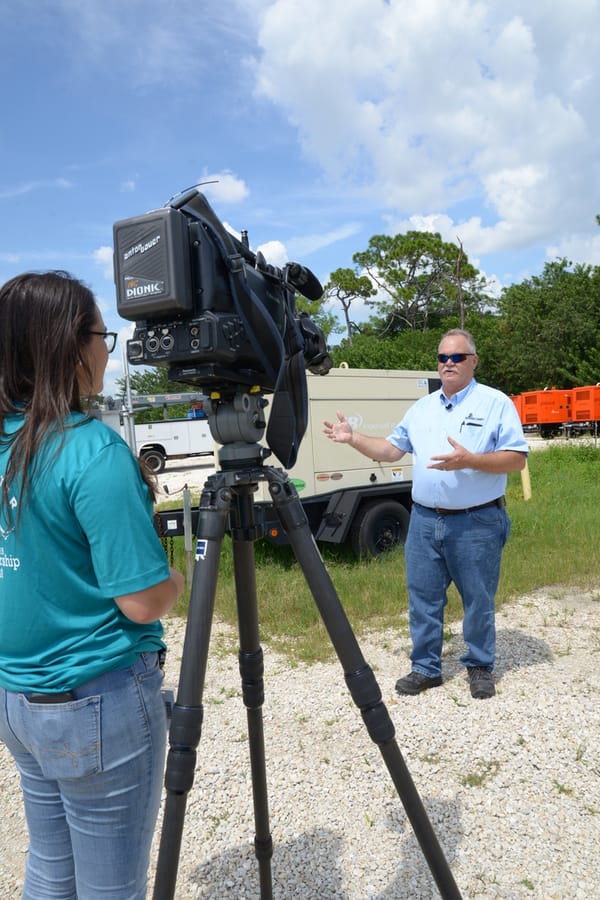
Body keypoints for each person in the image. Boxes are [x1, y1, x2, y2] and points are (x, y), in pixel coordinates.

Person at [0, 271, 185, 898]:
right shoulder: (90, 451)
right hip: (94, 701)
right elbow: (139, 601)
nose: (107, 349)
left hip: (17, 698)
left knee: (51, 869)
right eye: (102, 335)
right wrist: (178, 578)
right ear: (71, 346)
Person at [323, 328, 528, 700]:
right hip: (424, 521)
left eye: (457, 357)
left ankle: (480, 665)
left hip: (476, 521)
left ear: (473, 361)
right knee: (423, 597)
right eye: (442, 358)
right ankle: (426, 668)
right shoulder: (422, 407)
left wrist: (470, 460)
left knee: (478, 598)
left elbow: (516, 458)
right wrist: (353, 438)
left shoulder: (495, 403)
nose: (448, 364)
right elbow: (390, 450)